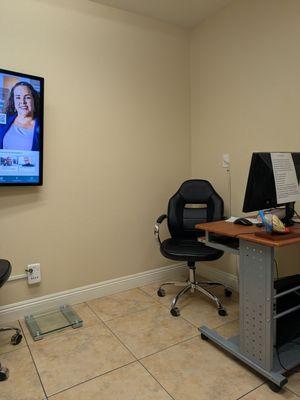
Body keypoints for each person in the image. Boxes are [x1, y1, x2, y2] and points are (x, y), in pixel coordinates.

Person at [0, 82, 40, 150]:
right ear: (14, 101)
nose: (22, 102)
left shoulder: (41, 125)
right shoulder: (4, 121)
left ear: (34, 100)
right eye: (18, 97)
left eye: (27, 97)